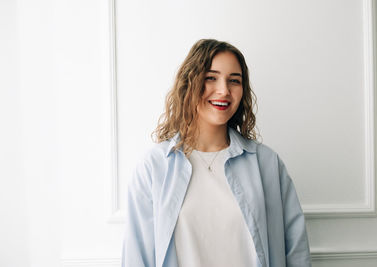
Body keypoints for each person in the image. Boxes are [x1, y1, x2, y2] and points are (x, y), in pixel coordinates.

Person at [122, 39, 311, 267]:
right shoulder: (154, 167)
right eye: (211, 78)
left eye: (234, 81)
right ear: (190, 82)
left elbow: (296, 251)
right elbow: (137, 256)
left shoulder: (267, 164)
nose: (224, 90)